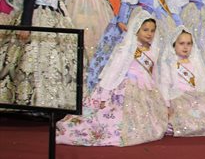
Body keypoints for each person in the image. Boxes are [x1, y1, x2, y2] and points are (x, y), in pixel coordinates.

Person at [56, 17, 166, 146]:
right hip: (126, 86)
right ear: (136, 30)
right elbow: (114, 70)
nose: (149, 33)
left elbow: (153, 74)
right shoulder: (127, 47)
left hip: (145, 88)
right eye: (145, 30)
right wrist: (103, 94)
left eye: (152, 30)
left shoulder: (153, 51)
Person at [87, 0, 180, 92]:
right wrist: (123, 20)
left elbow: (172, 5)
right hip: (140, 17)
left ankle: (159, 89)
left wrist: (178, 24)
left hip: (161, 19)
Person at [15, 0, 78, 110]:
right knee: (39, 59)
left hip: (58, 17)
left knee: (58, 61)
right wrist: (26, 25)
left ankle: (57, 103)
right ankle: (36, 102)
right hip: (39, 16)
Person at [157, 28, 205, 137]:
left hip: (196, 94)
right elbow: (164, 83)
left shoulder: (194, 61)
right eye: (181, 43)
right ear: (174, 45)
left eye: (189, 44)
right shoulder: (170, 62)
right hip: (179, 96)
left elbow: (202, 80)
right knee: (185, 112)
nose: (185, 47)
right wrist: (166, 105)